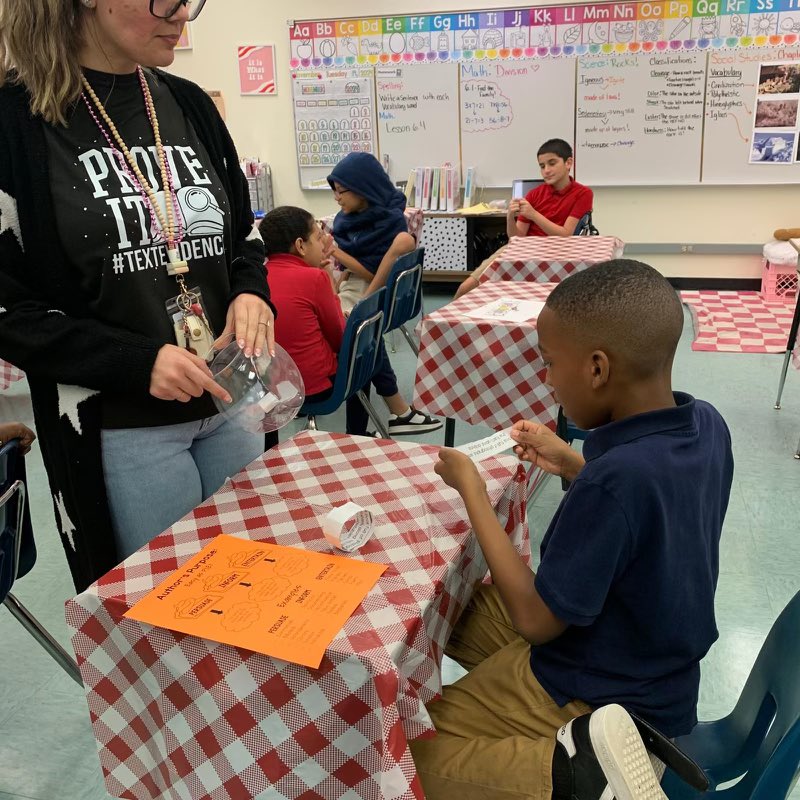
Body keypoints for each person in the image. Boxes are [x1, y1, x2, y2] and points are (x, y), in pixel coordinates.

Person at [410, 259, 734, 799]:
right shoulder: (707, 424)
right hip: (655, 662)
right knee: (455, 604)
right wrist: (574, 465)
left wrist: (472, 492)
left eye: (550, 363)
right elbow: (652, 518)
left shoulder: (615, 481)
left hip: (606, 689)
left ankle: (584, 773)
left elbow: (537, 622)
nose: (547, 380)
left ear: (598, 369)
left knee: (403, 751)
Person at [0, 0, 276, 591]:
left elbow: (241, 234)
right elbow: (9, 310)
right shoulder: (13, 124)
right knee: (171, 610)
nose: (182, 15)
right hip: (121, 426)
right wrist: (133, 360)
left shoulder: (189, 103)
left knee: (255, 583)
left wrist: (252, 291)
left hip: (231, 398)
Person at [327, 152, 442, 435]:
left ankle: (374, 422)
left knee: (361, 337)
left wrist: (336, 253)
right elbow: (349, 272)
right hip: (356, 292)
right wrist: (335, 276)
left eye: (342, 192)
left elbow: (372, 276)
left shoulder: (390, 223)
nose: (337, 199)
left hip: (371, 293)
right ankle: (393, 414)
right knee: (364, 342)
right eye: (335, 192)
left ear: (363, 189)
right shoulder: (346, 220)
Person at [259, 206, 371, 436]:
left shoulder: (256, 279)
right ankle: (358, 435)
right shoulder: (314, 277)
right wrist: (329, 280)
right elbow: (341, 340)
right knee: (368, 351)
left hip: (270, 390)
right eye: (319, 238)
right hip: (314, 389)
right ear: (301, 245)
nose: (323, 246)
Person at [455, 138, 594, 299]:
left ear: (568, 163)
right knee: (466, 288)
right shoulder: (534, 194)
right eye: (542, 166)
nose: (546, 170)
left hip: (557, 255)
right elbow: (516, 238)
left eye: (552, 163)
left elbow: (566, 235)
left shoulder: (583, 194)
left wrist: (534, 214)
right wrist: (509, 217)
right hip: (522, 250)